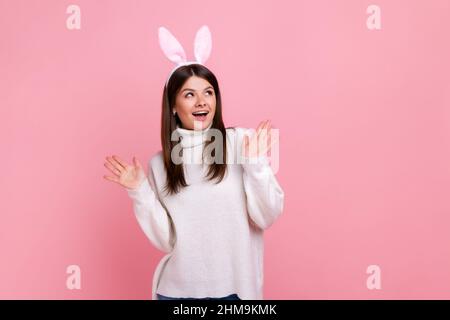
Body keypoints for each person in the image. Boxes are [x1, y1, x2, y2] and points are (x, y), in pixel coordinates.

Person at [103, 25, 284, 300]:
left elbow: (267, 215)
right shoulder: (160, 164)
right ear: (173, 106)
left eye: (208, 92)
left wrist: (256, 164)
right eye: (189, 94)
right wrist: (139, 190)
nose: (202, 102)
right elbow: (167, 241)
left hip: (235, 293)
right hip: (177, 293)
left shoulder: (242, 143)